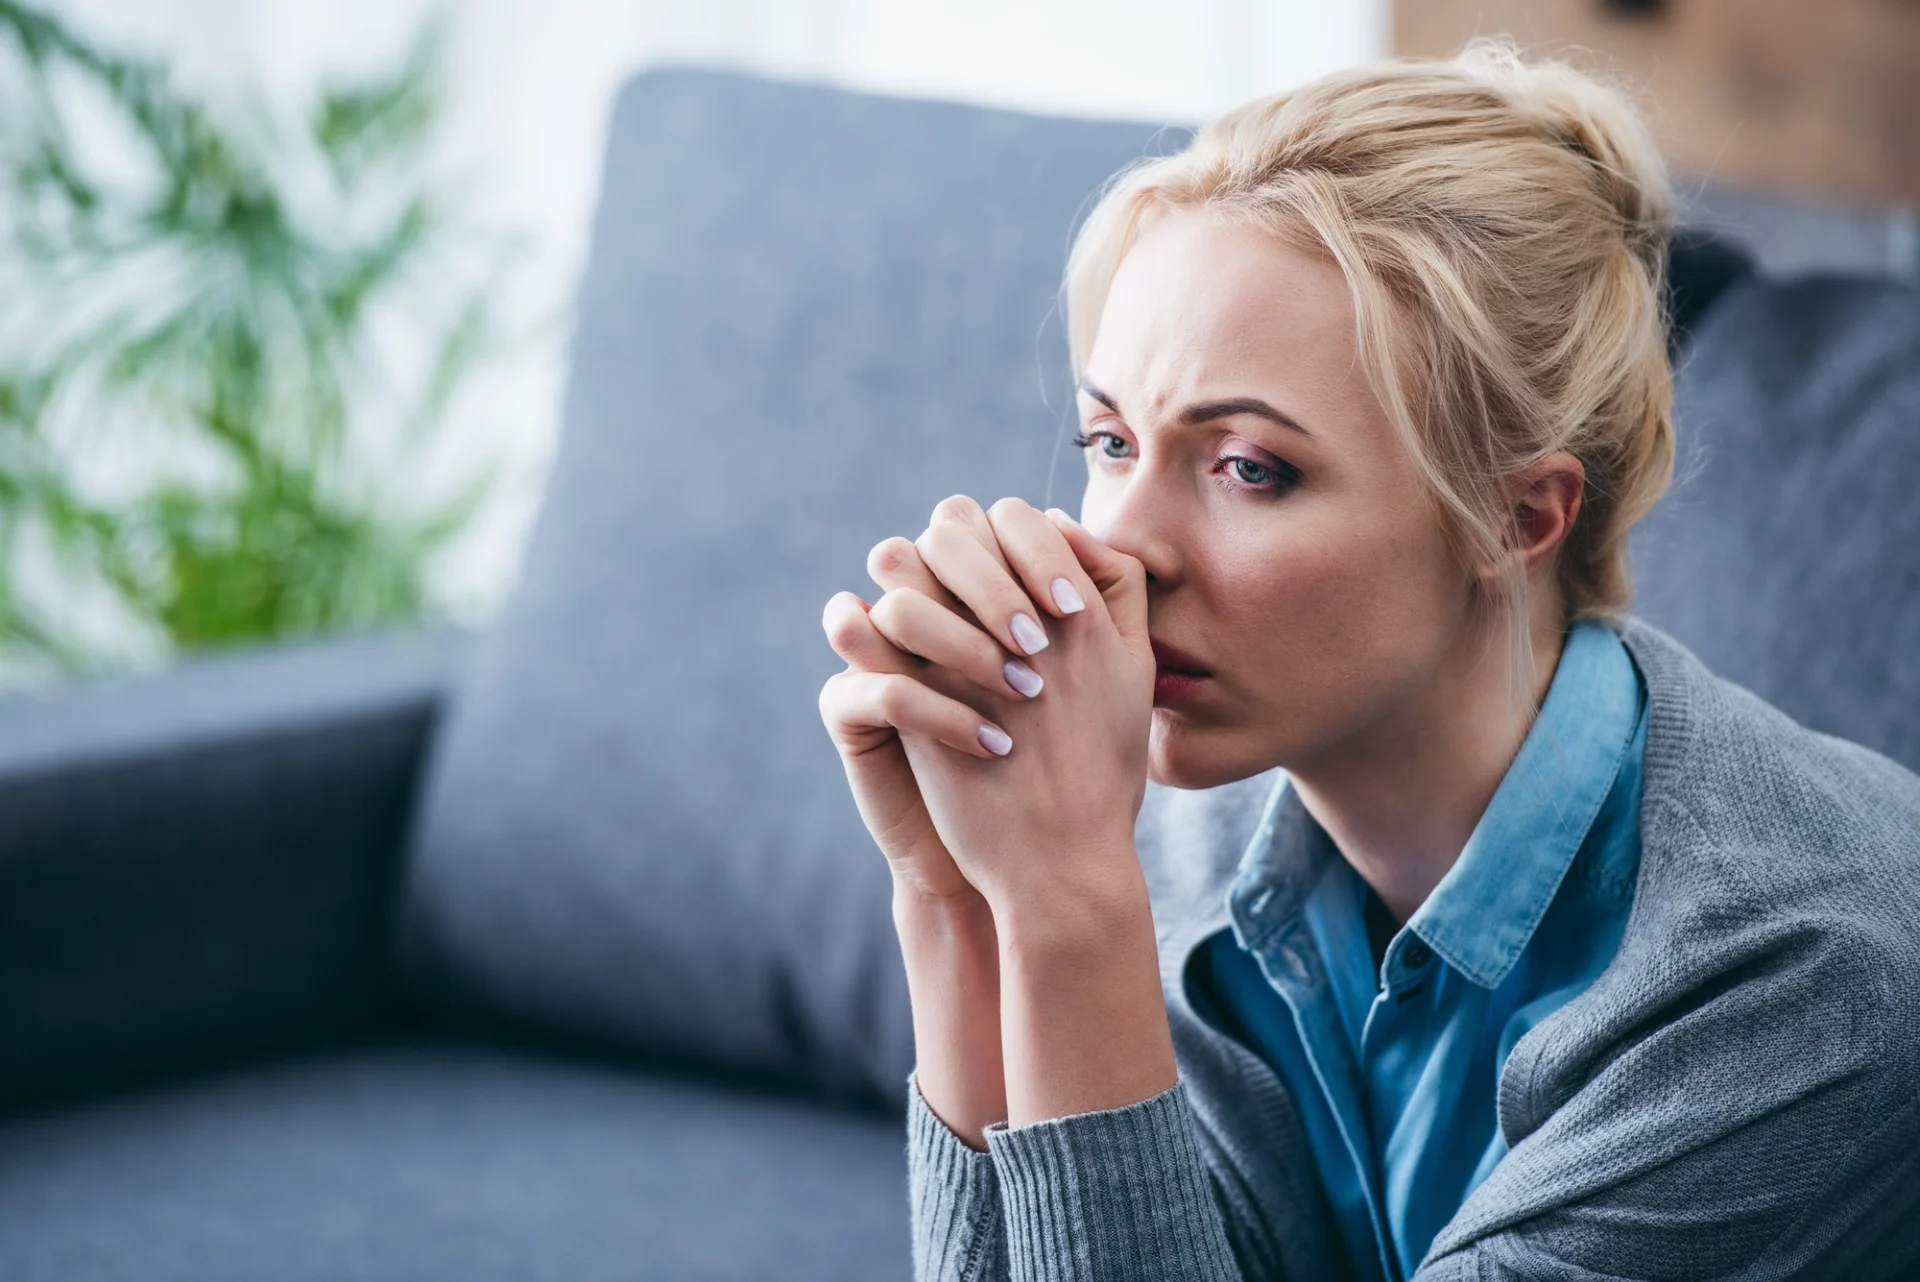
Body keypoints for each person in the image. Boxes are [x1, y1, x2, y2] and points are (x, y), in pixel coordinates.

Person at [816, 39, 1920, 1282]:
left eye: (1249, 467)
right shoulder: (1194, 838)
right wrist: (955, 901)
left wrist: (1070, 911)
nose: (1110, 555)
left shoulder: (1793, 978)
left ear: (1517, 518)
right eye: (1109, 440)